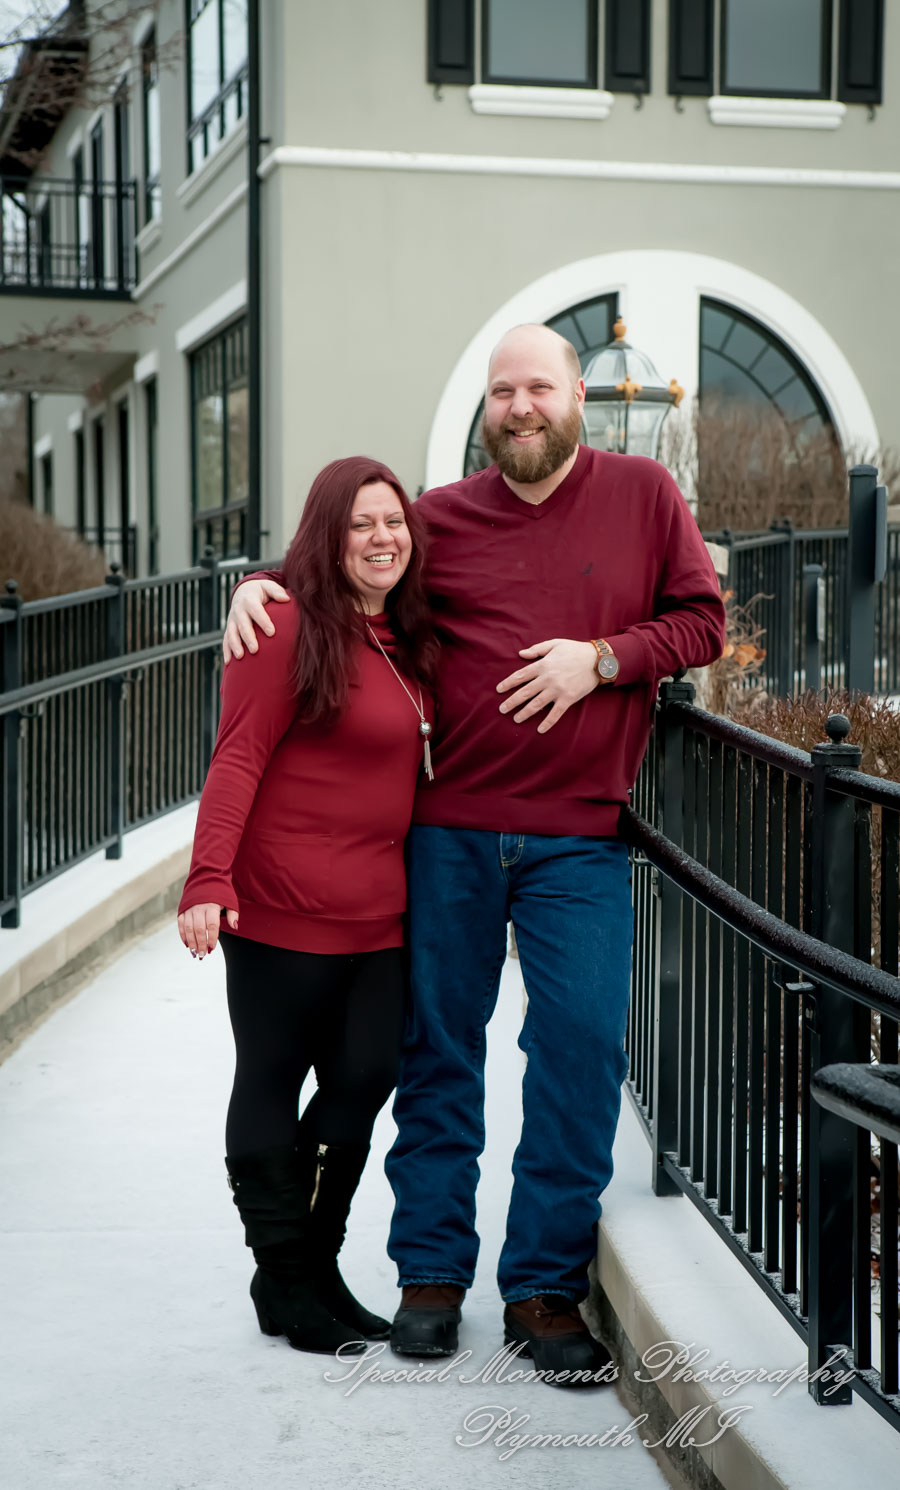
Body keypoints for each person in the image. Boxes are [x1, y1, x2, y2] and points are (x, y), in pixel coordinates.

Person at [224, 324, 726, 1386]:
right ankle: (431, 1276)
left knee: (582, 1044)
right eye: (503, 391)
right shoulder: (441, 516)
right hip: (446, 829)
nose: (519, 405)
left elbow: (700, 623)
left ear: (576, 394)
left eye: (537, 385)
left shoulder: (643, 497)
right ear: (487, 410)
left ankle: (543, 1286)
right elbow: (341, 559)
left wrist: (605, 658)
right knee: (437, 1051)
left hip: (578, 835)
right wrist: (253, 585)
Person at [177, 455, 437, 1356]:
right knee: (271, 1082)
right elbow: (237, 755)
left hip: (380, 916)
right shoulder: (283, 625)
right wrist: (208, 879)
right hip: (281, 909)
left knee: (366, 1078)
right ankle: (291, 1282)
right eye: (361, 523)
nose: (381, 538)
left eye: (394, 522)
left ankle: (305, 1270)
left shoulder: (405, 636)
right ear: (328, 535)